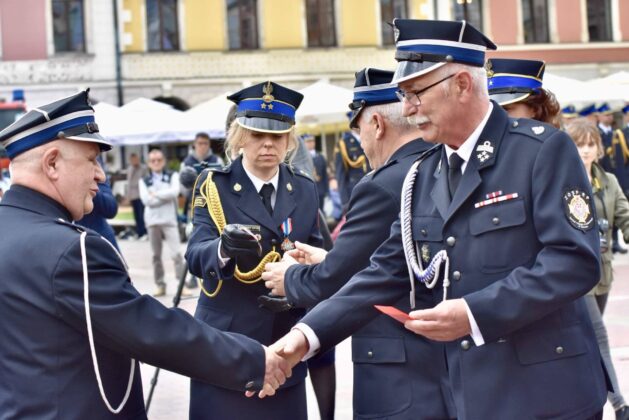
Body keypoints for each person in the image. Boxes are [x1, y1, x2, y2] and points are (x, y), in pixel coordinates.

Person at [272, 19, 609, 419]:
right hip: (467, 397)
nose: (408, 108)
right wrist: (304, 337)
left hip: (548, 397)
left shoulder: (541, 151)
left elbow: (574, 262)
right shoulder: (423, 174)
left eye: (415, 93)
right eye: (402, 95)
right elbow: (386, 271)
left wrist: (472, 314)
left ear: (463, 84)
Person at [0, 90, 291, 419]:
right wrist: (253, 359)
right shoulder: (72, 249)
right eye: (92, 160)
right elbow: (153, 330)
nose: (100, 175)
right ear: (52, 163)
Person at [261, 68, 454, 419]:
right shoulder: (439, 165)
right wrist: (329, 257)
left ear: (377, 124)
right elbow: (397, 256)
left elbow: (333, 281)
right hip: (445, 364)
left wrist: (289, 278)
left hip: (398, 369)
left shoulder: (380, 185)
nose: (361, 144)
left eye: (359, 130)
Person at [185, 81, 323, 420]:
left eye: (277, 136)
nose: (267, 144)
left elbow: (317, 255)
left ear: (289, 140)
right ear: (239, 137)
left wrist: (296, 289)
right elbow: (195, 255)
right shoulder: (214, 185)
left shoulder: (304, 189)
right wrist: (222, 248)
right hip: (226, 344)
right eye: (256, 134)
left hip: (283, 343)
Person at [565, 119, 629, 420]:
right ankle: (620, 405)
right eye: (580, 144)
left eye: (591, 144)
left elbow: (625, 218)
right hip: (574, 274)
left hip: (602, 273)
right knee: (599, 336)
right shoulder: (562, 181)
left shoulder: (610, 183)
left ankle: (582, 396)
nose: (586, 150)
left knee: (587, 342)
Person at [139, 148, 185, 297]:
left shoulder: (172, 175)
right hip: (152, 222)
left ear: (163, 161)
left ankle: (181, 284)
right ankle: (160, 284)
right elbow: (147, 201)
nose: (156, 163)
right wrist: (164, 196)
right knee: (155, 256)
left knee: (177, 253)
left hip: (169, 220)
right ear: (149, 163)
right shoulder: (143, 180)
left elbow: (175, 192)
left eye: (159, 160)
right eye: (153, 160)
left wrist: (156, 194)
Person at [486, 58, 561, 128]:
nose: (495, 116)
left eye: (505, 109)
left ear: (534, 109)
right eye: (491, 110)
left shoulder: (554, 141)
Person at [77, 155, 119, 249]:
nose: (102, 176)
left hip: (99, 240)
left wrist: (90, 186)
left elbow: (111, 209)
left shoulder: (94, 165)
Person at [181, 132, 223, 220]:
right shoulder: (186, 162)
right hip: (192, 202)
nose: (203, 146)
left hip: (214, 203)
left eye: (205, 143)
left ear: (209, 144)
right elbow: (182, 186)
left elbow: (223, 182)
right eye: (200, 143)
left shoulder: (217, 160)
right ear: (194, 144)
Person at [334, 127, 370, 207]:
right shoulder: (343, 143)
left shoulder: (370, 138)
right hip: (354, 190)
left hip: (372, 187)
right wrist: (345, 201)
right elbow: (340, 173)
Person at [125, 152, 148, 239]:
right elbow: (129, 183)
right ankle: (139, 232)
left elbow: (144, 180)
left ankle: (144, 232)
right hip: (133, 195)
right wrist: (128, 196)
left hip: (141, 194)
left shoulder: (143, 168)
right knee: (136, 216)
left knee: (142, 214)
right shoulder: (130, 169)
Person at [304, 134, 329, 210]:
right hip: (307, 191)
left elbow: (325, 175)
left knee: (321, 212)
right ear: (304, 143)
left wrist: (326, 190)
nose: (310, 143)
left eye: (311, 141)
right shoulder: (302, 158)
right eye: (308, 141)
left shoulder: (320, 156)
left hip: (320, 190)